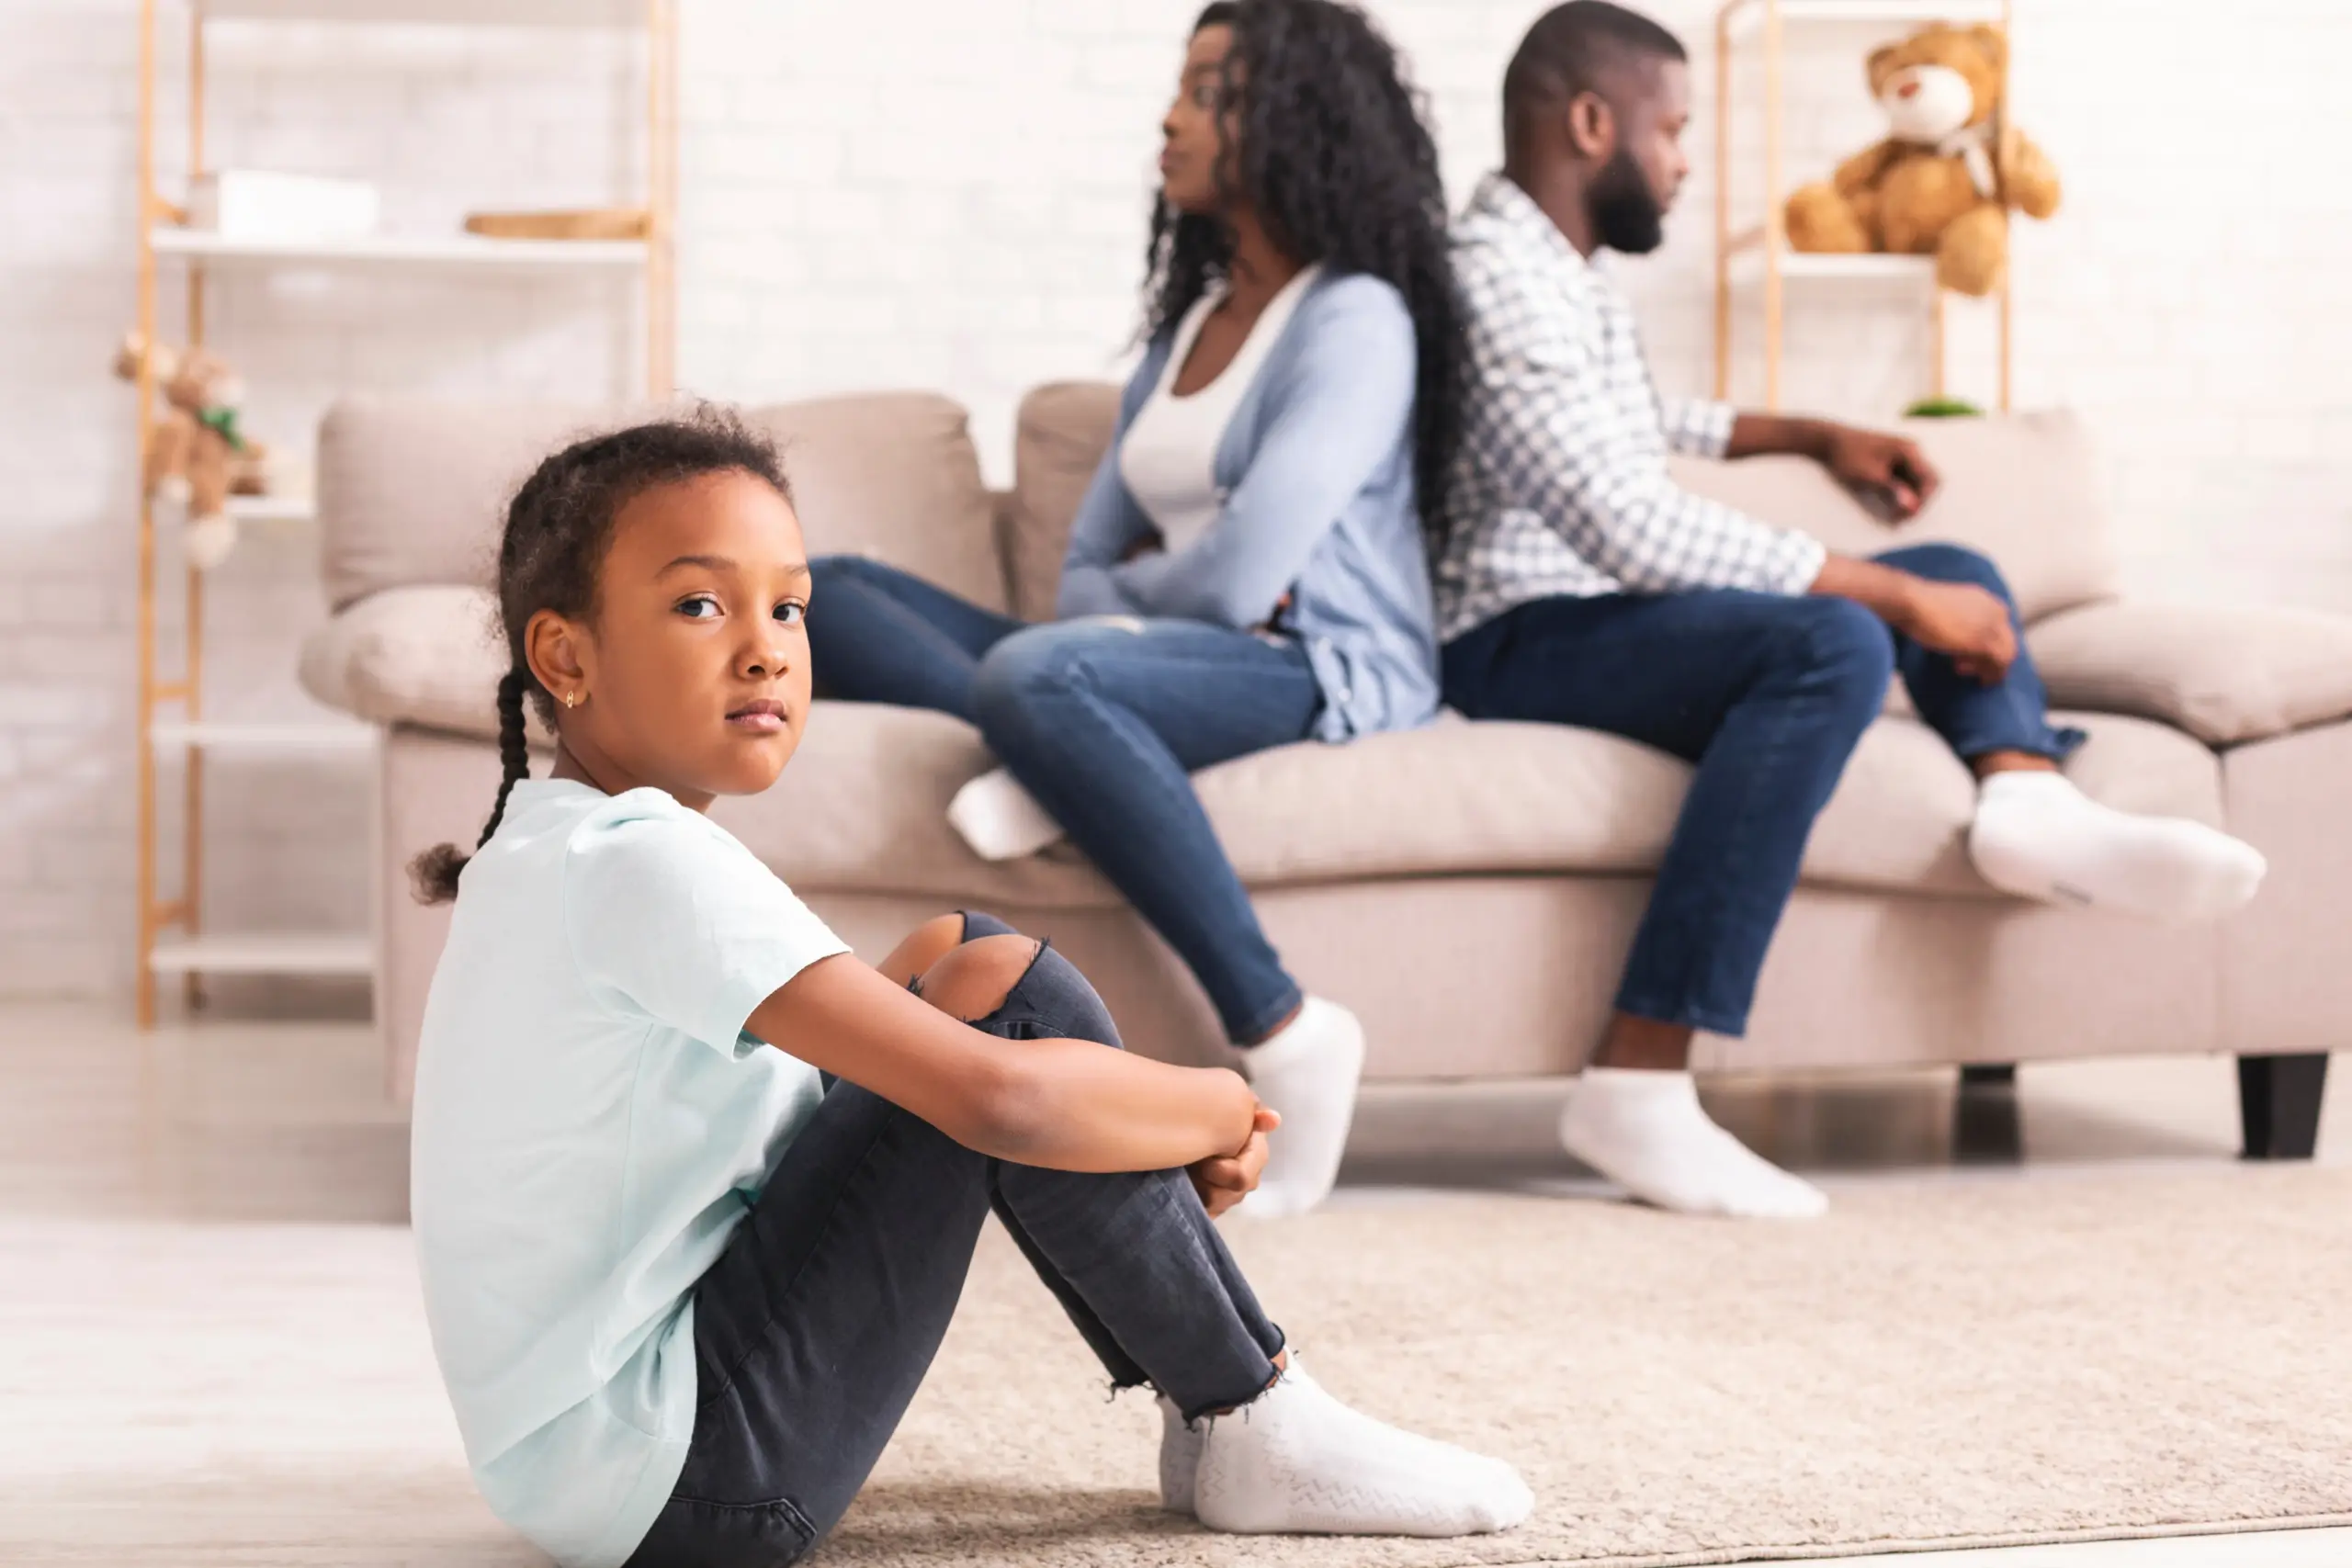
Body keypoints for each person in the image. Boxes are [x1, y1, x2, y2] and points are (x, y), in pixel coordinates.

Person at [401, 413, 1532, 1568]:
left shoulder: (558, 848)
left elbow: (779, 1100)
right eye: (701, 605)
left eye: (787, 606)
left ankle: (1227, 1420)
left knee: (977, 959)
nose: (765, 649)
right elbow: (998, 1104)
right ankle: (1251, 1410)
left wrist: (954, 974)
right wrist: (1217, 1105)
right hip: (698, 1487)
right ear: (565, 657)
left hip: (595, 1471)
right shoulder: (643, 859)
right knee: (1010, 1009)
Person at [1437, 0, 2267, 1221]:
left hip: (1582, 612)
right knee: (1837, 634)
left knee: (1965, 566)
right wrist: (1889, 594)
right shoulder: (1490, 278)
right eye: (1673, 131)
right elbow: (1629, 522)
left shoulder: (1554, 271)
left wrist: (1820, 432)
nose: (1681, 161)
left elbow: (1639, 422)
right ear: (1592, 121)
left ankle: (2027, 797)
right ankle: (1638, 1079)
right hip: (1510, 637)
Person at [803, 0, 1464, 1219]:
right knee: (826, 592)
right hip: (1131, 657)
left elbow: (1234, 581)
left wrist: (1135, 597)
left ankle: (1286, 1020)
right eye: (1183, 84)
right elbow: (1084, 566)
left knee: (1038, 676)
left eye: (1210, 90)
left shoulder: (1357, 317)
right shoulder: (1188, 328)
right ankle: (1062, 759)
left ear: (1298, 119)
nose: (1173, 114)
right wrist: (1134, 598)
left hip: (1305, 659)